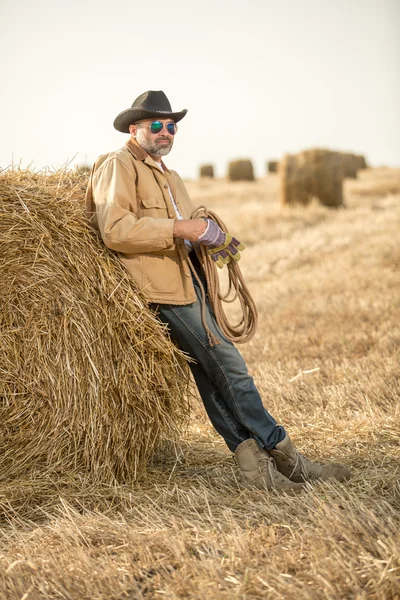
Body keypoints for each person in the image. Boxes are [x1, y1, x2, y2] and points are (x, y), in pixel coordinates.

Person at [85, 90, 352, 493]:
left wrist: (207, 236)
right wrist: (179, 229)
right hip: (159, 290)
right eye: (155, 125)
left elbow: (186, 228)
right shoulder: (119, 166)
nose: (165, 132)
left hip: (188, 282)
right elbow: (114, 230)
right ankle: (286, 455)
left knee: (212, 379)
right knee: (232, 368)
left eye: (171, 126)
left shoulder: (170, 176)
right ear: (134, 128)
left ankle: (257, 473)